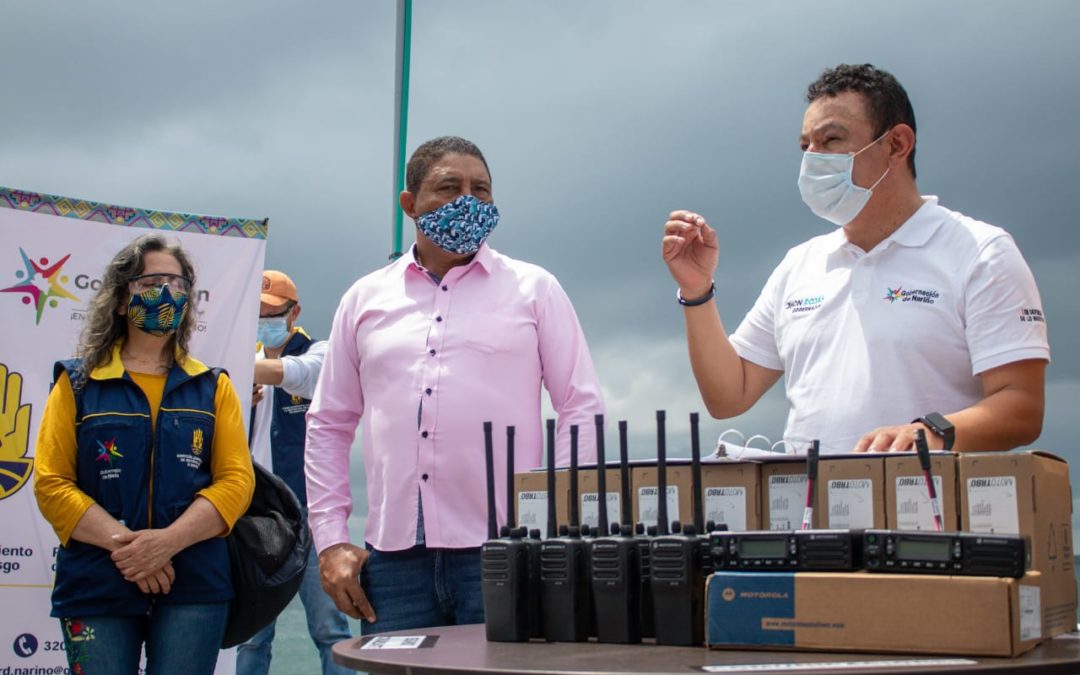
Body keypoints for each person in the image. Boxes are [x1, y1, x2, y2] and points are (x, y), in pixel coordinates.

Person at [662, 63, 1049, 455]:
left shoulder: (980, 252)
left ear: (897, 145)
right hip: (811, 512)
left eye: (830, 139)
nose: (812, 158)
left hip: (933, 511)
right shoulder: (801, 264)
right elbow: (730, 396)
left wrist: (929, 433)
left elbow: (1021, 406)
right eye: (805, 146)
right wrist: (697, 291)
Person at [306, 136, 605, 633]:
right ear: (409, 204)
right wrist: (331, 539)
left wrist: (568, 523)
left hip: (510, 551)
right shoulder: (364, 298)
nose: (468, 200)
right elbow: (330, 422)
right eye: (449, 187)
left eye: (481, 189)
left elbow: (580, 404)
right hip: (393, 562)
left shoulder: (534, 289)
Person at [33, 233, 255, 674]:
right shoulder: (78, 384)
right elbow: (51, 483)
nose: (167, 294)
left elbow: (236, 482)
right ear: (120, 300)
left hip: (193, 584)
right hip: (96, 583)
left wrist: (168, 543)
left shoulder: (213, 387)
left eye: (177, 285)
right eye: (153, 282)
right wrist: (133, 551)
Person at [236, 270, 351, 675]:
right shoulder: (239, 370)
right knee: (251, 636)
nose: (264, 322)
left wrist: (237, 369)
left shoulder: (319, 353)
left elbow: (293, 373)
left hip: (309, 514)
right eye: (257, 313)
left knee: (329, 628)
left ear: (294, 311)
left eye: (272, 313)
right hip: (254, 518)